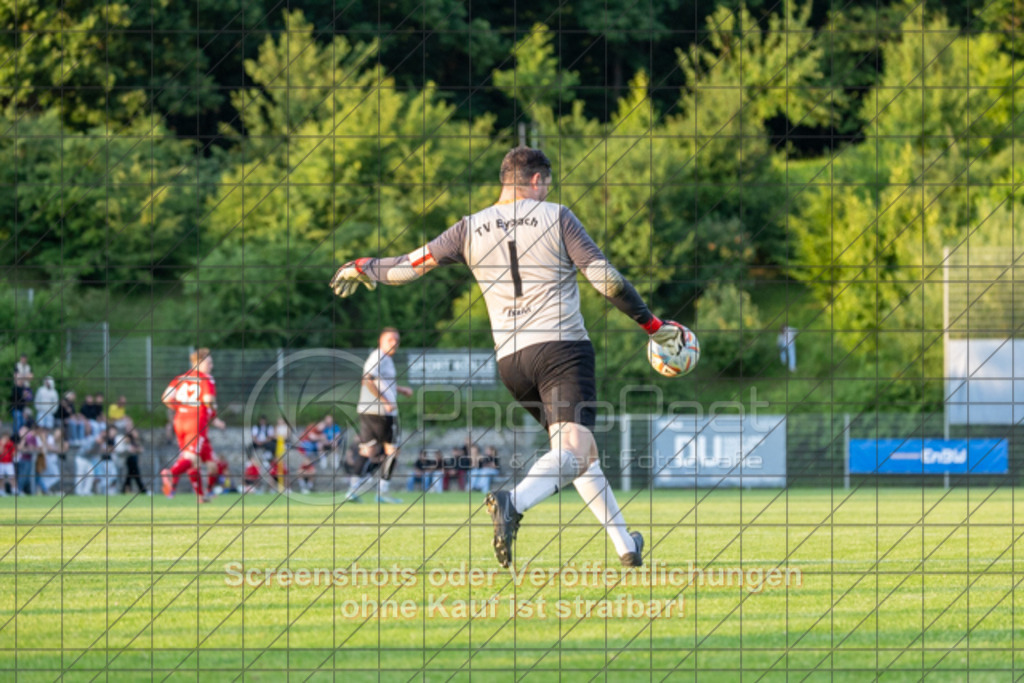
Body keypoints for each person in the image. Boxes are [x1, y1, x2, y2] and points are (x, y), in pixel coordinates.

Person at [331, 146, 684, 568]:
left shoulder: (467, 228)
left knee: (580, 451)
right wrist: (653, 325)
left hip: (512, 363)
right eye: (547, 183)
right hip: (561, 349)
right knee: (573, 449)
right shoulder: (556, 215)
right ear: (535, 179)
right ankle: (513, 502)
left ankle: (626, 546)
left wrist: (362, 265)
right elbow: (606, 280)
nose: (548, 190)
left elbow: (408, 266)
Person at [344, 329, 413, 504]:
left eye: (397, 340)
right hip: (381, 412)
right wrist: (385, 402)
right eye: (390, 339)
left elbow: (380, 382)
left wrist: (400, 389)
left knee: (368, 451)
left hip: (367, 410)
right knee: (392, 450)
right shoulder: (379, 357)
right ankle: (382, 492)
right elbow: (367, 380)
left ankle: (352, 490)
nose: (394, 343)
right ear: (381, 341)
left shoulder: (384, 359)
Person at [160, 348, 226, 502]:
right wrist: (213, 407)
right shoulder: (206, 378)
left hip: (180, 421)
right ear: (199, 362)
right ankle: (171, 474)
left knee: (193, 460)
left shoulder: (180, 378)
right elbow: (208, 400)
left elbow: (166, 398)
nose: (212, 366)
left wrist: (183, 408)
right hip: (196, 422)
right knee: (192, 457)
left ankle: (201, 496)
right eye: (209, 363)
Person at [120, 419, 147, 495]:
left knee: (130, 475)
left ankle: (124, 490)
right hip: (129, 458)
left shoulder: (134, 435)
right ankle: (143, 490)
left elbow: (139, 447)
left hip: (134, 457)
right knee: (135, 474)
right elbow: (126, 446)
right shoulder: (125, 435)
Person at [0, 431, 16, 495]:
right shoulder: (0, 443)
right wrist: (2, 444)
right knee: (1, 478)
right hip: (1, 463)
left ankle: (14, 490)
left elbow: (13, 453)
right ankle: (1, 491)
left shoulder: (11, 443)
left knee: (12, 477)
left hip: (9, 463)